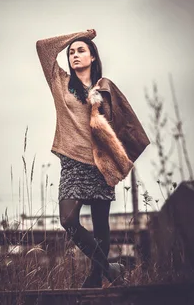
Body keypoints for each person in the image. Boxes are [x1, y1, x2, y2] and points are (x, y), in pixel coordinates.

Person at [35, 29, 149, 288]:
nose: (74, 55)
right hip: (72, 161)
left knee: (101, 226)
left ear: (93, 57)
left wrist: (121, 158)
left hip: (101, 164)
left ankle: (96, 278)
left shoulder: (105, 87)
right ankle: (109, 269)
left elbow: (124, 124)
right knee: (69, 220)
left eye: (81, 50)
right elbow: (43, 48)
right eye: (71, 52)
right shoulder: (60, 83)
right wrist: (82, 35)